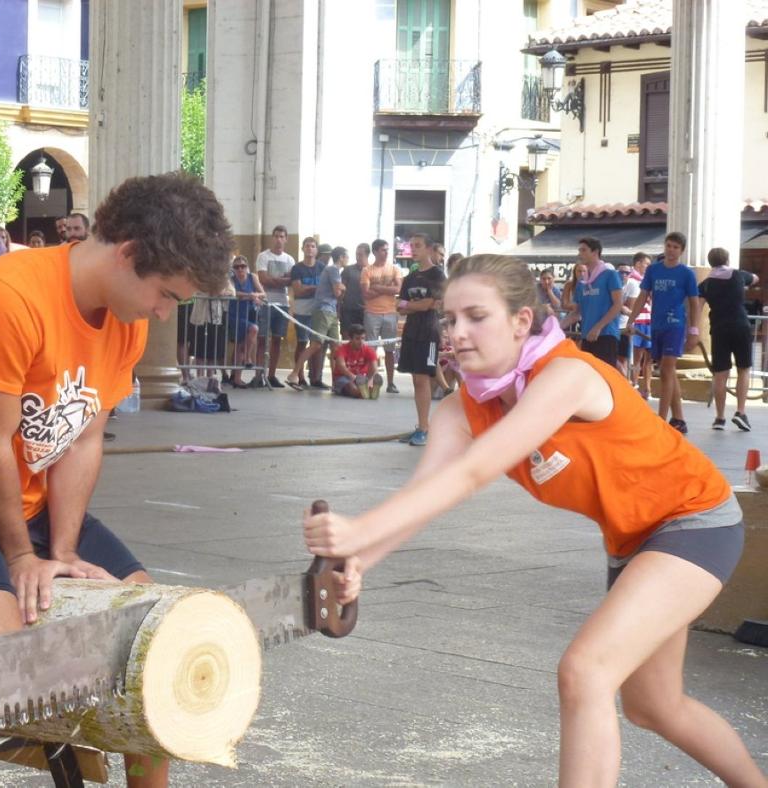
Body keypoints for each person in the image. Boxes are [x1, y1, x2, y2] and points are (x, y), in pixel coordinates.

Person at [303, 253, 764, 788]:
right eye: (450, 319)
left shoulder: (567, 377)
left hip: (695, 520)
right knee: (653, 707)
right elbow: (426, 495)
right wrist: (360, 561)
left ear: (522, 321)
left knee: (585, 672)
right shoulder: (463, 409)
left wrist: (360, 529)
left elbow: (474, 473)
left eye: (477, 317)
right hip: (633, 539)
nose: (458, 333)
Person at [0, 172, 234, 786]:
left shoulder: (127, 318)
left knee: (156, 645)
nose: (164, 312)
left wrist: (60, 551)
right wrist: (19, 557)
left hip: (24, 498)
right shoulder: (3, 296)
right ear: (128, 255)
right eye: (166, 294)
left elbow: (83, 435)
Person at [625, 232, 699, 434]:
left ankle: (661, 418)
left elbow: (694, 302)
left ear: (681, 251)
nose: (671, 250)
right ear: (664, 247)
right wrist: (631, 320)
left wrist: (694, 329)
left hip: (675, 324)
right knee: (669, 371)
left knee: (666, 368)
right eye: (669, 245)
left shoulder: (686, 273)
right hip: (656, 324)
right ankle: (679, 418)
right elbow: (643, 295)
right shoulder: (653, 270)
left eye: (676, 247)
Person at [698, 247, 758, 431]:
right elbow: (755, 278)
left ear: (710, 262)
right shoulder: (739, 275)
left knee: (720, 374)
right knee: (744, 369)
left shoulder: (705, 284)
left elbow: (698, 308)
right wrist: (744, 286)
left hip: (719, 328)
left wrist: (692, 330)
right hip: (740, 325)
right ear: (728, 259)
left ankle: (719, 418)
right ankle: (740, 412)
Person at [396, 234, 445, 446]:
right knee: (416, 380)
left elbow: (429, 305)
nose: (413, 250)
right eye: (411, 246)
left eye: (417, 246)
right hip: (411, 331)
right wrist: (412, 305)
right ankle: (422, 424)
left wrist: (411, 304)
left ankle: (424, 429)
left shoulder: (437, 275)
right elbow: (400, 307)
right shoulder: (410, 277)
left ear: (428, 249)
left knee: (423, 378)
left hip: (429, 331)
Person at [290, 244, 345, 389]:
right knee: (315, 345)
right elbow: (337, 292)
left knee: (335, 347)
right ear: (341, 257)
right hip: (323, 310)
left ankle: (337, 382)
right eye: (346, 257)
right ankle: (294, 374)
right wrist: (343, 288)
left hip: (331, 310)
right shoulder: (333, 270)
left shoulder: (329, 269)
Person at [255, 225, 295, 388]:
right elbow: (264, 280)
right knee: (262, 339)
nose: (278, 239)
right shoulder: (263, 257)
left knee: (277, 339)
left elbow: (291, 281)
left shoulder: (290, 260)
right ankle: (259, 375)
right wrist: (282, 279)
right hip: (266, 303)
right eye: (276, 236)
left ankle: (271, 375)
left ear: (286, 239)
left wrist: (276, 279)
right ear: (273, 238)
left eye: (282, 236)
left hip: (283, 304)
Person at [574, 237, 622, 369]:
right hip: (587, 336)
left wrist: (598, 327)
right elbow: (576, 312)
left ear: (595, 252)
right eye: (579, 250)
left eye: (584, 250)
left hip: (606, 335)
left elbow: (618, 304)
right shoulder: (582, 282)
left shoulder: (610, 274)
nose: (580, 254)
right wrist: (557, 326)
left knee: (606, 376)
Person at [361, 239, 401, 393]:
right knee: (371, 350)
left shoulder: (394, 269)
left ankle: (391, 383)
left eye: (387, 249)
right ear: (375, 252)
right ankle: (371, 381)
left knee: (390, 350)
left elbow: (397, 289)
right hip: (372, 313)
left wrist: (377, 287)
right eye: (383, 250)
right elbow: (366, 294)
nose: (386, 252)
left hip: (390, 313)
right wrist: (387, 288)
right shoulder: (367, 270)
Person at [285, 237, 321, 390]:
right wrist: (315, 288)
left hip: (318, 310)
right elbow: (298, 290)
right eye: (307, 246)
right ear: (302, 248)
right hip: (301, 309)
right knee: (302, 342)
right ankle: (299, 376)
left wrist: (308, 287)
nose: (310, 249)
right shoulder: (297, 268)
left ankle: (316, 377)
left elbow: (325, 288)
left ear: (316, 250)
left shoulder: (322, 267)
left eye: (312, 246)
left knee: (317, 344)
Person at [227, 255, 264, 388]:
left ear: (247, 268)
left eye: (243, 266)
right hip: (234, 315)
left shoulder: (252, 277)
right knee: (253, 330)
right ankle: (247, 358)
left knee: (241, 345)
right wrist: (250, 295)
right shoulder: (231, 280)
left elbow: (262, 293)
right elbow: (233, 293)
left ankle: (237, 378)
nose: (240, 269)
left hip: (248, 313)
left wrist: (256, 296)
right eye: (237, 267)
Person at [626, 252, 653, 398]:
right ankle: (635, 385)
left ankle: (647, 388)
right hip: (638, 322)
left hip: (649, 321)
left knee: (649, 358)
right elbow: (633, 303)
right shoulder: (632, 281)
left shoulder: (647, 281)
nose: (648, 267)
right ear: (638, 264)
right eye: (646, 264)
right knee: (637, 357)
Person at [331, 324, 383, 399]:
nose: (361, 341)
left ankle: (366, 390)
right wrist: (354, 378)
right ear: (350, 338)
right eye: (357, 338)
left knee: (361, 385)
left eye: (363, 338)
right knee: (351, 388)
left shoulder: (369, 350)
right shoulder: (341, 349)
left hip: (362, 378)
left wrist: (369, 380)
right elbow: (341, 367)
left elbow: (374, 369)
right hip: (343, 377)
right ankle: (367, 392)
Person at [340, 242, 369, 336]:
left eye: (360, 255)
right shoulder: (348, 270)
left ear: (367, 255)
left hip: (365, 311)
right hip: (348, 311)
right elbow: (341, 291)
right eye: (356, 254)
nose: (358, 257)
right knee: (346, 337)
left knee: (362, 339)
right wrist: (338, 309)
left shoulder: (371, 270)